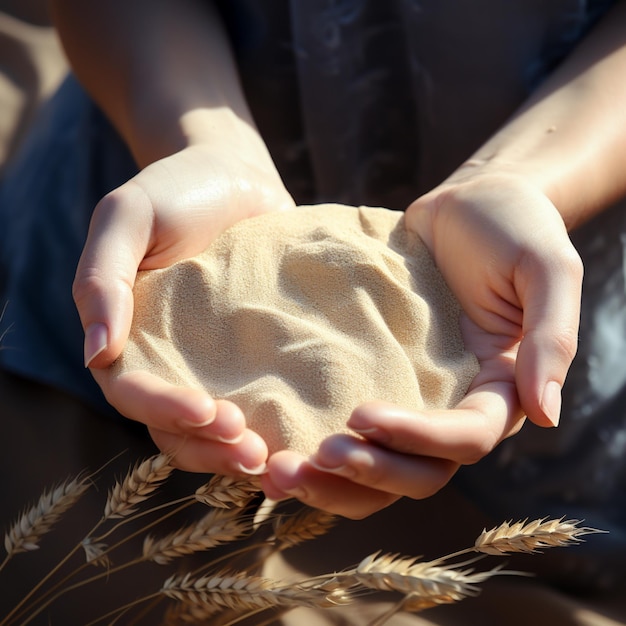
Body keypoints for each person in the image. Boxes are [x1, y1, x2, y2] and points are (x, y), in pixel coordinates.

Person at [1, 1, 626, 620]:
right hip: (150, 173)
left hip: (542, 230)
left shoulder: (486, 306)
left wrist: (522, 180)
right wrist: (201, 142)